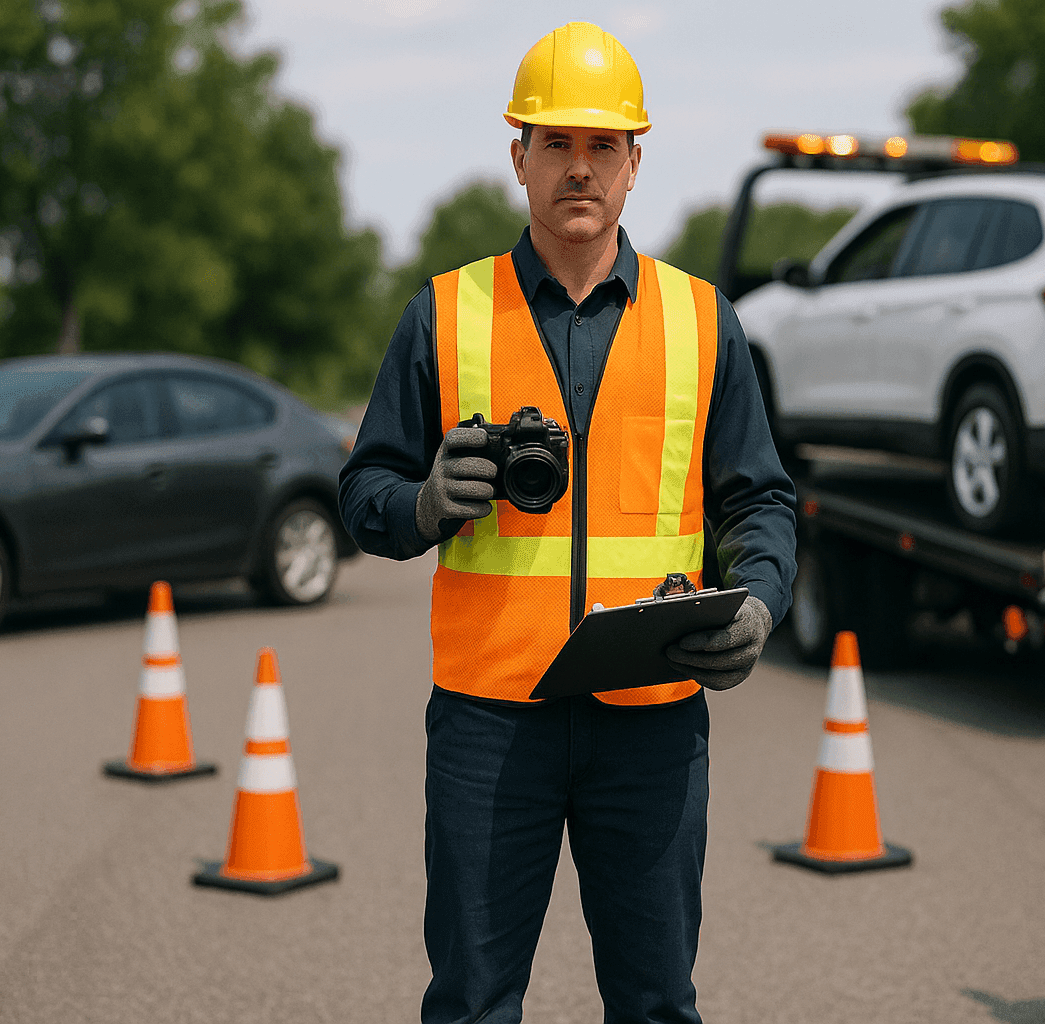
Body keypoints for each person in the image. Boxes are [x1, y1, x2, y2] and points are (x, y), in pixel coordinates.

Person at [338, 21, 797, 1024]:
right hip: (489, 721)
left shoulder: (702, 319)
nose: (578, 168)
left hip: (653, 721)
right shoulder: (446, 312)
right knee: (470, 1002)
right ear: (518, 159)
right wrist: (419, 503)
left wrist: (759, 600)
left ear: (636, 163)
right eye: (555, 143)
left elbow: (757, 498)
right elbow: (362, 491)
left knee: (655, 1003)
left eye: (601, 145)